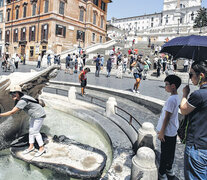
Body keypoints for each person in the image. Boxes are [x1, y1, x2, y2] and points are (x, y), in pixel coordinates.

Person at [0, 85, 46, 157]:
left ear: (19, 93)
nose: (12, 95)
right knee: (31, 131)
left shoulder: (22, 101)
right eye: (11, 93)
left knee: (35, 132)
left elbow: (12, 112)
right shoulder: (22, 97)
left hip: (39, 115)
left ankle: (42, 148)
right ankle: (31, 147)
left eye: (14, 93)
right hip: (34, 115)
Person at [180, 60, 207, 180]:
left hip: (197, 147)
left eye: (191, 74)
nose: (190, 78)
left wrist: (185, 94)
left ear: (201, 75)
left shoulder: (199, 95)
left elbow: (183, 109)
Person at [156, 75, 181, 180]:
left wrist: (161, 131)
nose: (165, 87)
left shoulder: (171, 100)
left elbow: (167, 117)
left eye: (166, 85)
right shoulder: (177, 97)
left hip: (167, 131)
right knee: (171, 152)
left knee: (165, 153)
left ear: (173, 86)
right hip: (173, 131)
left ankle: (162, 172)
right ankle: (169, 169)